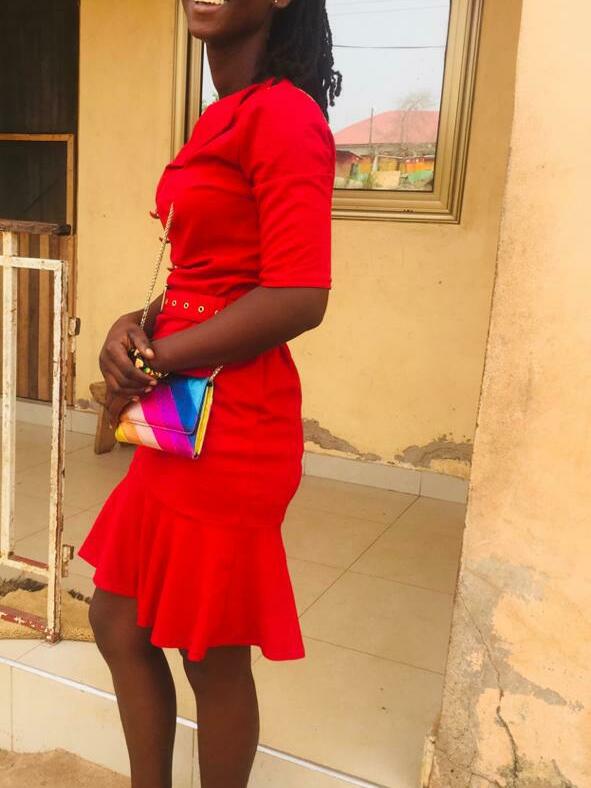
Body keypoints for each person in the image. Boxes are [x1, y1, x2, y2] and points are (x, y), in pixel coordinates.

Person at [77, 1, 341, 786]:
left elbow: (298, 295)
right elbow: (207, 275)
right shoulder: (225, 115)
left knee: (209, 650)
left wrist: (158, 356)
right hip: (183, 406)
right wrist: (134, 324)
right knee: (118, 619)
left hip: (235, 419)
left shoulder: (285, 116)